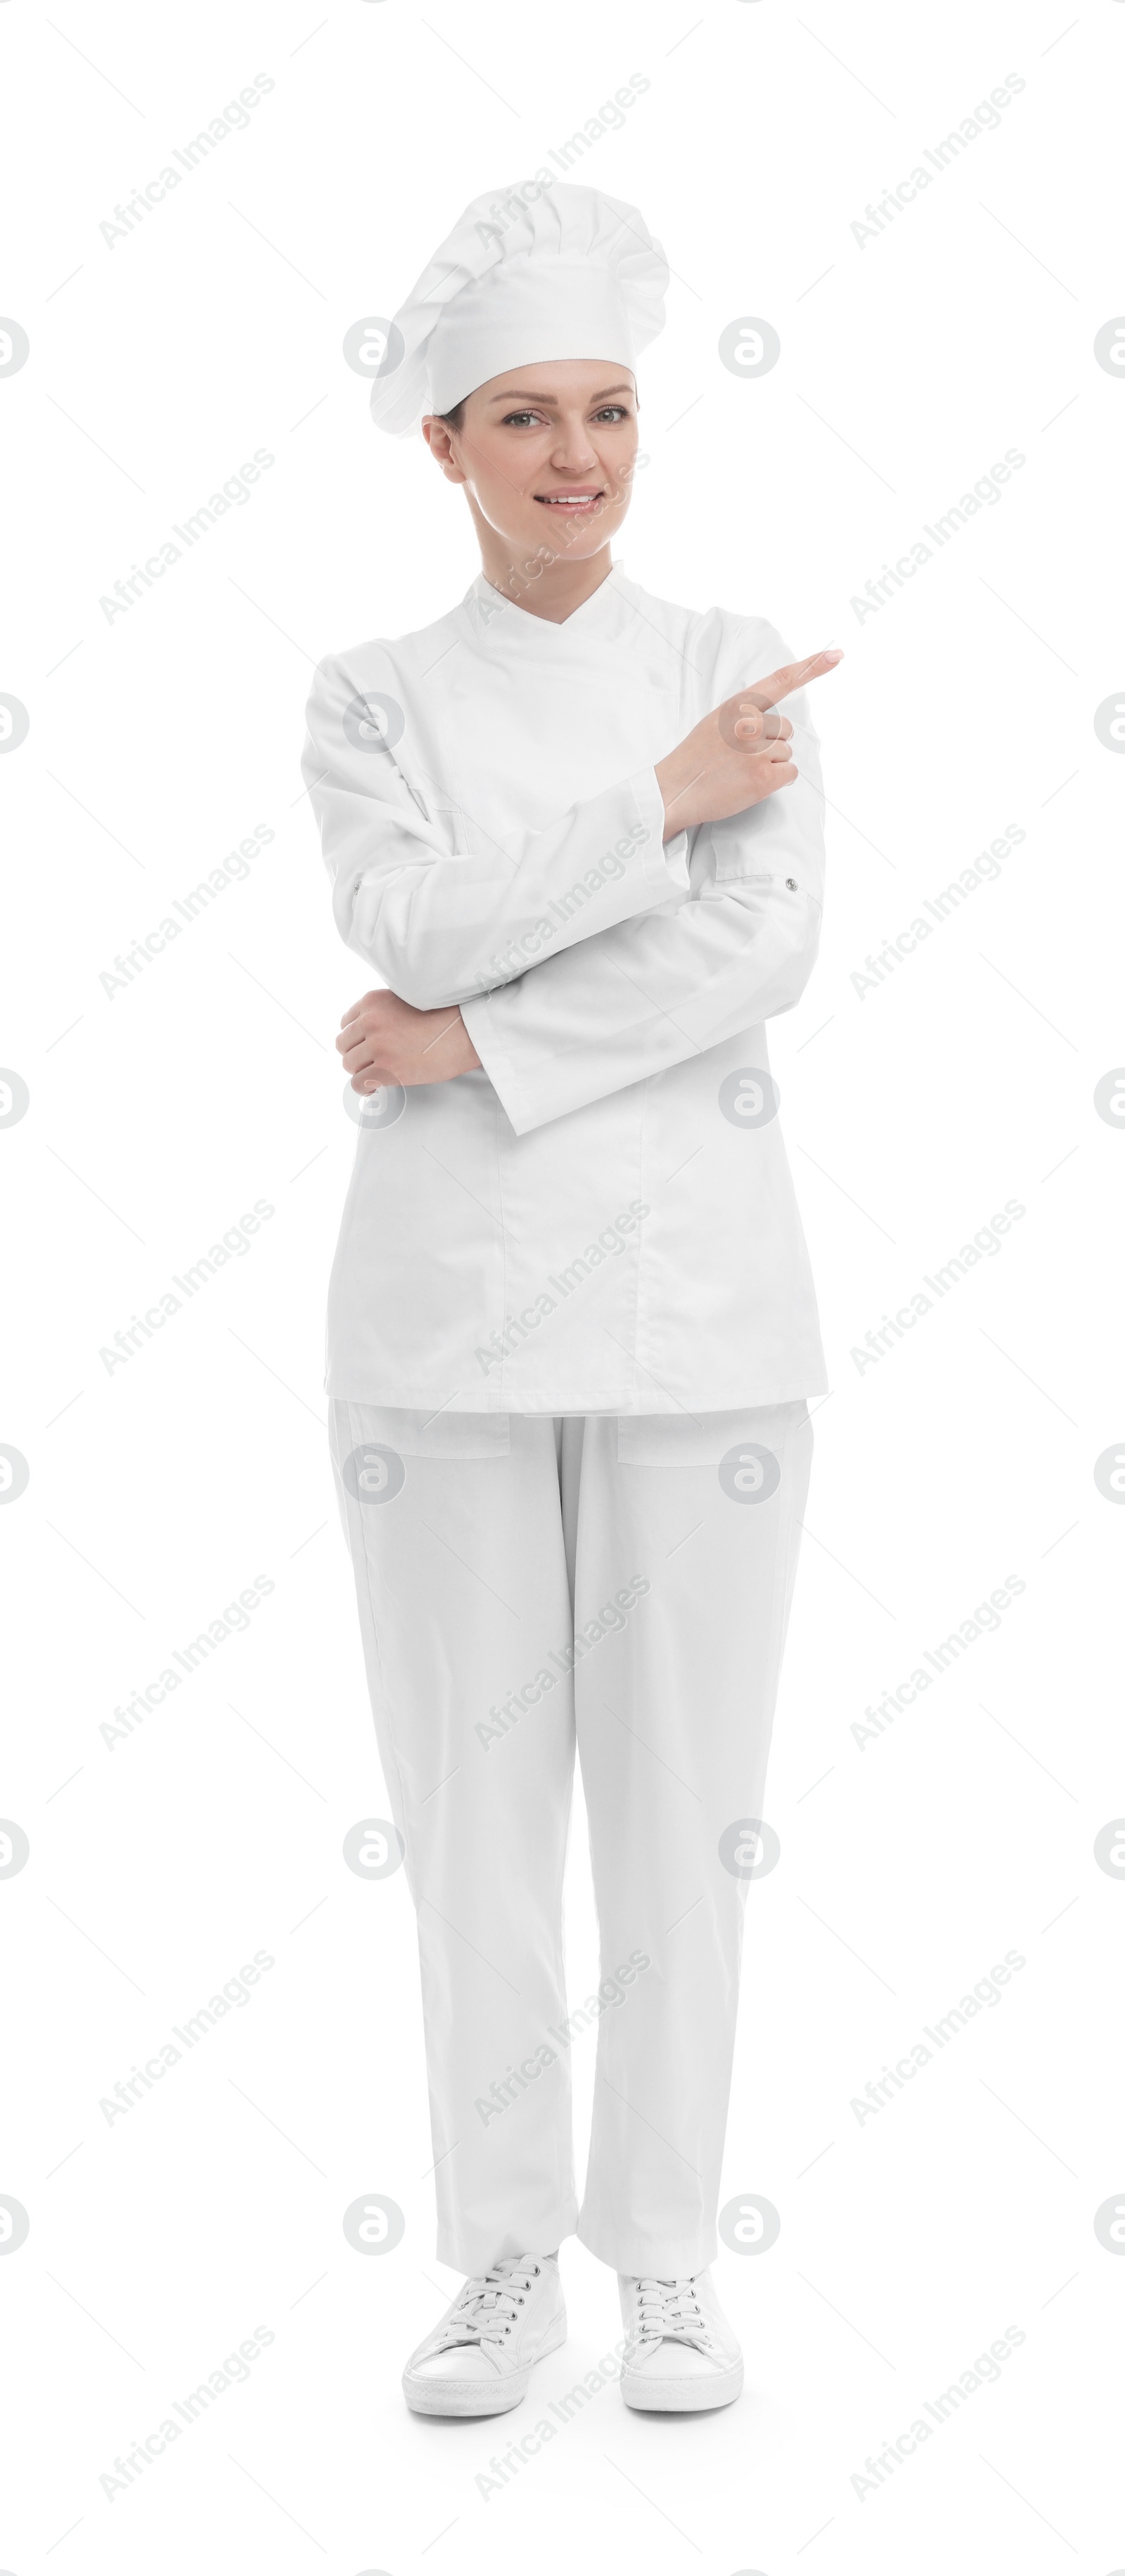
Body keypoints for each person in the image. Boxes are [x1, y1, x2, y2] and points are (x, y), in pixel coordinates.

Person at [304, 179, 841, 2421]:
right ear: (444, 443)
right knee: (474, 1809)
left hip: (703, 1321)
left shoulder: (737, 659)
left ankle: (668, 2259)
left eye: (608, 410)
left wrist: (482, 1046)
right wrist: (652, 813)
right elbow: (404, 920)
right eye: (522, 416)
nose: (576, 457)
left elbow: (762, 955)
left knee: (684, 1809)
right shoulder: (372, 693)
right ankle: (507, 2251)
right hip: (439, 1324)